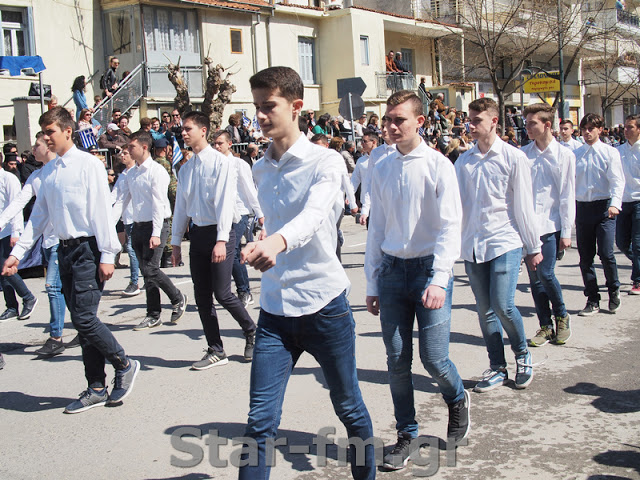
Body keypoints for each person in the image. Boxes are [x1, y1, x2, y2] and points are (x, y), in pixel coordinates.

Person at [238, 66, 375, 480]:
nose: (261, 116)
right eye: (257, 107)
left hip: (324, 307)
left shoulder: (326, 160)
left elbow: (315, 217)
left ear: (296, 107)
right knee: (260, 422)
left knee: (348, 406)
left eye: (269, 106)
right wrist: (256, 242)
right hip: (276, 312)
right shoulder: (258, 168)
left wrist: (276, 243)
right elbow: (266, 221)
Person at [3, 106, 139, 412]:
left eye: (50, 132)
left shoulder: (88, 166)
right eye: (44, 133)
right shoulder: (46, 174)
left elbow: (102, 211)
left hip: (89, 250)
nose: (46, 138)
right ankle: (96, 387)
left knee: (84, 318)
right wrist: (17, 254)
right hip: (64, 251)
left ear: (67, 132)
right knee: (81, 322)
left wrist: (107, 254)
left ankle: (124, 363)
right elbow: (37, 219)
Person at [365, 91, 469, 471]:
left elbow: (449, 227)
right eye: (388, 119)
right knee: (396, 360)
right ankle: (406, 434)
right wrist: (373, 282)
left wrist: (440, 279)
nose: (391, 126)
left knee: (434, 359)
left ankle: (457, 399)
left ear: (420, 122)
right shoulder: (381, 166)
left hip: (429, 271)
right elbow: (377, 227)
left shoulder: (439, 166)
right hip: (392, 271)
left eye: (399, 120)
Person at [455, 98, 541, 393]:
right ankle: (497, 365)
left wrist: (533, 245)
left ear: (493, 121)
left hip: (505, 240)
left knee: (503, 305)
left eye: (477, 120)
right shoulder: (464, 161)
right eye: (469, 120)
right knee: (484, 309)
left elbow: (524, 205)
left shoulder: (513, 158)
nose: (471, 126)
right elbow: (455, 207)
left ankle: (522, 354)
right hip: (473, 245)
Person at [171, 112, 256, 367]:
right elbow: (181, 207)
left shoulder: (223, 163)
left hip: (222, 232)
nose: (184, 133)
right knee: (202, 295)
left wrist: (221, 240)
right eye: (182, 130)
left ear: (203, 130)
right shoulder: (186, 169)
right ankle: (216, 349)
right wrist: (176, 242)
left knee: (222, 293)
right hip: (198, 234)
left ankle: (252, 331)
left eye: (188, 129)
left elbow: (224, 202)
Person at [0, 133, 77, 355]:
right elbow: (18, 203)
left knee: (53, 287)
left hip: (64, 240)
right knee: (65, 289)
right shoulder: (37, 176)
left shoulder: (63, 171)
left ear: (49, 147)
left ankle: (56, 337)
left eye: (37, 145)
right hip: (47, 241)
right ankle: (82, 327)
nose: (33, 149)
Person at [111, 131, 187, 330]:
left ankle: (178, 297)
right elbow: (122, 201)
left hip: (157, 225)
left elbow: (158, 203)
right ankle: (153, 314)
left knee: (151, 269)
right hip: (138, 226)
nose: (127, 150)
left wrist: (155, 233)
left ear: (144, 147)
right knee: (147, 274)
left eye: (131, 146)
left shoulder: (156, 171)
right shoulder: (131, 173)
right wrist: (108, 225)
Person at [521, 103, 575, 347]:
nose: (527, 127)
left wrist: (566, 232)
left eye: (532, 123)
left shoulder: (564, 155)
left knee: (546, 273)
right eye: (526, 122)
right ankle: (545, 326)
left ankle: (562, 315)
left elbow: (566, 195)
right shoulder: (523, 154)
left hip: (551, 226)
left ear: (547, 125)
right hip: (529, 227)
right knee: (534, 280)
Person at [574, 113, 625, 316]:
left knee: (606, 253)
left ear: (600, 130)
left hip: (604, 208)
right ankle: (592, 297)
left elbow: (617, 180)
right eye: (584, 128)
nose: (587, 132)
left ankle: (613, 290)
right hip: (583, 208)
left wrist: (615, 204)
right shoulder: (576, 154)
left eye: (591, 128)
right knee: (586, 257)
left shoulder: (609, 153)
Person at [211, 130, 265, 308]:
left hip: (239, 212)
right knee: (222, 253)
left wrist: (260, 214)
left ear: (229, 145)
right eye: (215, 143)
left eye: (220, 143)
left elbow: (250, 189)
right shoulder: (213, 164)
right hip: (219, 214)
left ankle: (244, 291)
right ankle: (223, 290)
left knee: (232, 252)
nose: (217, 147)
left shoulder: (239, 164)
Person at [111, 146, 140, 297]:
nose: (123, 155)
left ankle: (134, 282)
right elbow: (115, 195)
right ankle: (145, 279)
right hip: (126, 218)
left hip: (137, 218)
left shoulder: (136, 173)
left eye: (126, 153)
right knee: (134, 250)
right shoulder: (122, 175)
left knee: (131, 249)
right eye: (122, 153)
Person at [616, 114, 640, 295]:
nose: (626, 130)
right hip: (622, 202)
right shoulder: (618, 150)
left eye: (630, 127)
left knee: (638, 243)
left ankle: (637, 281)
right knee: (622, 242)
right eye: (625, 126)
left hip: (639, 201)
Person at [351, 132, 378, 207]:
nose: (362, 144)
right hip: (366, 201)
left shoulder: (383, 158)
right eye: (362, 141)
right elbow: (355, 179)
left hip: (381, 201)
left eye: (365, 141)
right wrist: (350, 195)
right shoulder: (361, 161)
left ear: (374, 142)